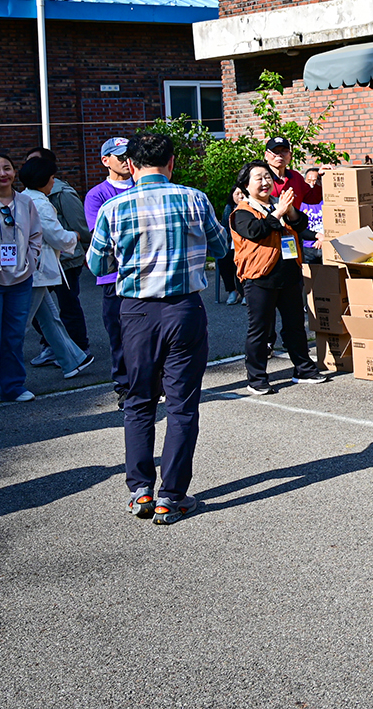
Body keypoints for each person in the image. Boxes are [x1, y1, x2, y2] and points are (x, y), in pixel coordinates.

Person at [87, 132, 232, 525]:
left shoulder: (113, 207)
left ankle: (140, 491)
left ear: (131, 166)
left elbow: (97, 265)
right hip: (184, 309)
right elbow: (221, 248)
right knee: (182, 405)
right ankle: (172, 496)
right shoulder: (194, 199)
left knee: (139, 401)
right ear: (171, 163)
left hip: (136, 312)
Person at [230, 160, 326, 395]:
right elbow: (257, 231)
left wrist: (290, 210)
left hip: (289, 274)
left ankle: (303, 369)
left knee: (295, 326)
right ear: (245, 185)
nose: (265, 182)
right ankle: (256, 378)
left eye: (267, 178)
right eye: (259, 178)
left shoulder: (278, 204)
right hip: (259, 277)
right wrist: (280, 212)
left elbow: (300, 224)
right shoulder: (241, 212)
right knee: (260, 330)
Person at [0, 152, 45, 416]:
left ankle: (13, 386)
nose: (2, 174)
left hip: (21, 277)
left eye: (7, 168)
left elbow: (36, 235)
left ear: (14, 172)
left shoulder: (26, 202)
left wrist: (31, 259)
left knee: (14, 334)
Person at [16, 159, 94, 380]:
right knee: (20, 324)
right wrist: (75, 236)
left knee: (49, 318)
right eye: (52, 178)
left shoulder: (24, 198)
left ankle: (72, 360)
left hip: (34, 269)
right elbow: (56, 236)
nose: (54, 182)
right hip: (37, 270)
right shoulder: (40, 204)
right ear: (42, 180)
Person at [84, 137, 136, 408]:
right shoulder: (97, 195)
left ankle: (154, 381)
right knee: (119, 335)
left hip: (145, 274)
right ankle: (124, 386)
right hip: (113, 277)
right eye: (120, 156)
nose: (127, 161)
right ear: (106, 160)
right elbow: (101, 236)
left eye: (130, 155)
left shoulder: (143, 186)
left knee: (149, 333)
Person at [263, 136, 323, 211]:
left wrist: (320, 177)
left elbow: (313, 199)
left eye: (284, 151)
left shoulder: (296, 177)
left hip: (293, 218)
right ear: (266, 155)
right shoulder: (261, 178)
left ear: (290, 155)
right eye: (275, 151)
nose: (280, 155)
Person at [219, 186, 246, 305]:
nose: (240, 196)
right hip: (232, 243)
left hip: (247, 244)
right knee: (223, 259)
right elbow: (224, 228)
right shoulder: (229, 208)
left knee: (241, 260)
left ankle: (244, 292)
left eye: (242, 193)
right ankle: (232, 290)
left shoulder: (250, 207)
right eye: (237, 194)